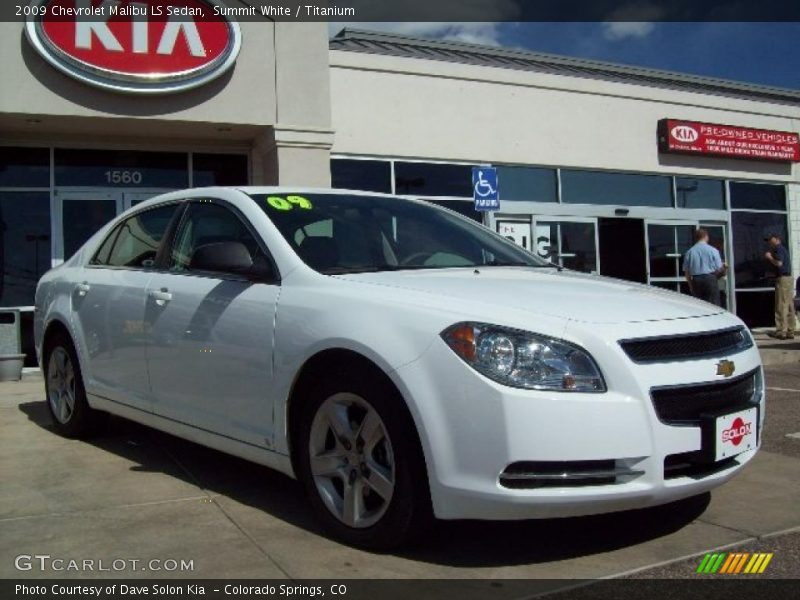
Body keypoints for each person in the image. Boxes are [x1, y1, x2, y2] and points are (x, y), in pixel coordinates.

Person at [683, 228, 727, 306]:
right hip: (710, 280)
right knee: (713, 306)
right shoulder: (713, 250)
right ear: (706, 236)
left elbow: (687, 272)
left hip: (696, 281)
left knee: (699, 306)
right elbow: (719, 269)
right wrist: (725, 268)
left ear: (696, 238)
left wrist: (691, 286)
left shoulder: (689, 252)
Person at [764, 233, 795, 340]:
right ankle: (790, 330)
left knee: (781, 305)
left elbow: (779, 263)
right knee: (789, 305)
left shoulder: (778, 249)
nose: (769, 242)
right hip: (788, 278)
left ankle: (781, 331)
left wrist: (769, 257)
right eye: (768, 241)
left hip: (782, 279)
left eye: (771, 240)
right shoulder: (782, 249)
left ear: (777, 239)